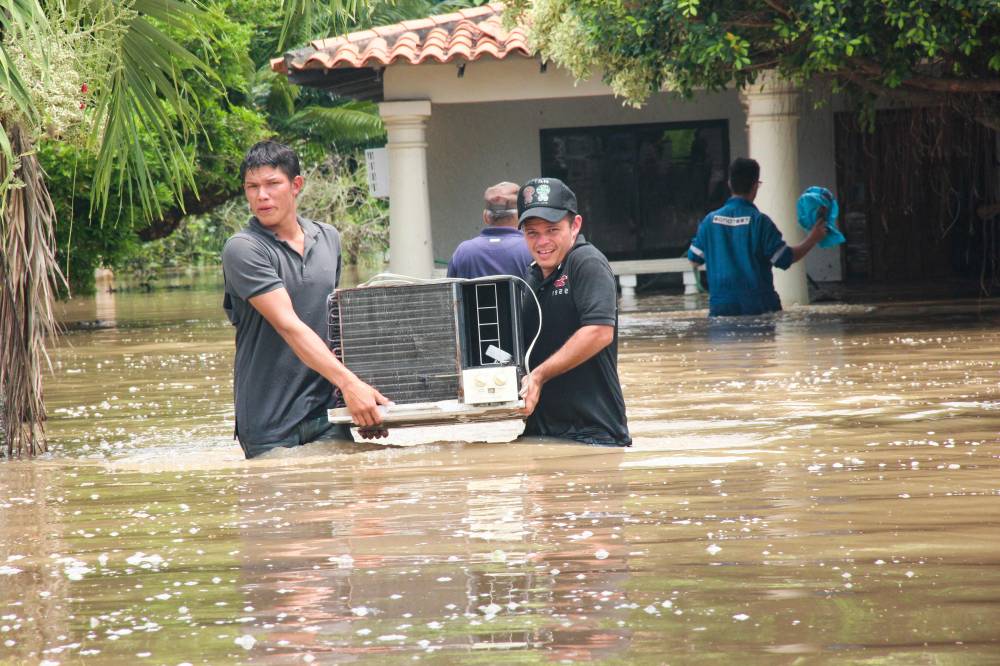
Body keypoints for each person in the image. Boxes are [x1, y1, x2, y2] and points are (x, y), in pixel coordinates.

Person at [222, 140, 389, 458]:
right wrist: (352, 384)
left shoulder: (328, 238)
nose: (261, 196)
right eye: (252, 187)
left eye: (272, 184)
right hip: (270, 421)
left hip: (327, 413)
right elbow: (289, 325)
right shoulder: (243, 249)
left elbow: (334, 324)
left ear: (296, 185)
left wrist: (360, 399)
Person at [516, 177, 631, 447]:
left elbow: (599, 332)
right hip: (541, 433)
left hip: (593, 435)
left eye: (552, 230)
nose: (542, 241)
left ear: (575, 225)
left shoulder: (586, 262)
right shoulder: (531, 275)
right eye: (532, 232)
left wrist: (539, 375)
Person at [687, 157, 828, 317]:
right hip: (759, 307)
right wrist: (813, 238)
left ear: (729, 183)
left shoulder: (709, 221)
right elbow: (785, 258)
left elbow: (694, 260)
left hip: (721, 309)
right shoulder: (761, 222)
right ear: (755, 186)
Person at [447, 181, 533, 278]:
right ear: (521, 216)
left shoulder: (462, 251)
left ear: (485, 216)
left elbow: (450, 291)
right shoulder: (532, 247)